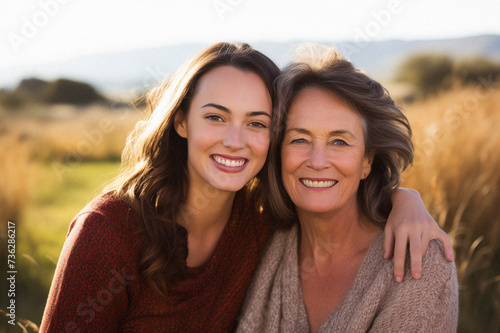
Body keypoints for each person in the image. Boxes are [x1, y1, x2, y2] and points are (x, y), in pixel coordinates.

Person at [40, 42, 453, 332]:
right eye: (216, 117)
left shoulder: (258, 223)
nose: (235, 141)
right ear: (181, 120)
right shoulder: (108, 232)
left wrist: (403, 198)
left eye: (256, 122)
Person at [236, 44, 459, 333]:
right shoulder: (257, 238)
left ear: (367, 160)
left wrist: (405, 197)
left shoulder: (420, 266)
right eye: (299, 140)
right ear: (277, 152)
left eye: (339, 141)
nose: (317, 162)